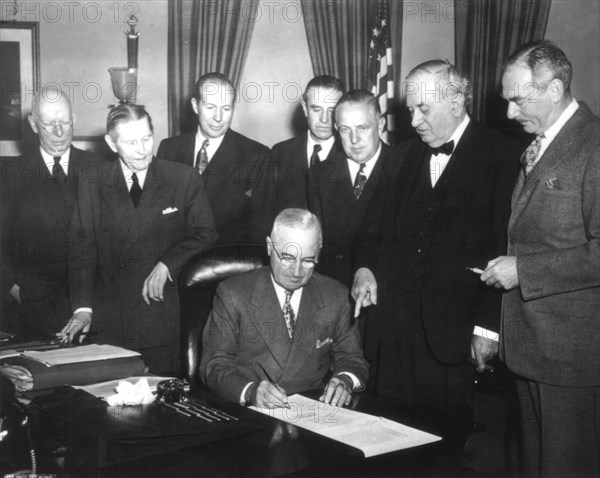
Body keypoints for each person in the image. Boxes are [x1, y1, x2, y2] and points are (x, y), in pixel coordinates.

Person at [352, 60, 521, 417]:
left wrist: (487, 329)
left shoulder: (502, 155)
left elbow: (505, 251)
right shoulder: (400, 156)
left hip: (455, 339)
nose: (413, 121)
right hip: (393, 334)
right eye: (410, 110)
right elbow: (370, 227)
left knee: (445, 448)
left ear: (457, 102)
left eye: (423, 109)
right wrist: (365, 268)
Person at [482, 41, 599, 477]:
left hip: (572, 356)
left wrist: (523, 270)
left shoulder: (594, 146)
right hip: (533, 348)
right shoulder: (539, 145)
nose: (510, 113)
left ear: (553, 88)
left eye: (518, 99)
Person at [62, 104, 217, 373]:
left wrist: (168, 264)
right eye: (131, 142)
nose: (143, 149)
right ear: (111, 143)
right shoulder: (92, 181)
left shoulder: (182, 178)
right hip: (111, 320)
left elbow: (205, 233)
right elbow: (82, 247)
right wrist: (83, 308)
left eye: (147, 138)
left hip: (160, 318)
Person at [200, 208, 368, 408]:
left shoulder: (336, 296)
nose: (296, 272)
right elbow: (214, 365)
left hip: (313, 410)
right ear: (270, 247)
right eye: (287, 258)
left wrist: (345, 381)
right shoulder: (233, 293)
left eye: (307, 260)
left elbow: (353, 359)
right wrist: (251, 391)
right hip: (251, 411)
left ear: (319, 252)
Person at [1, 86, 99, 339]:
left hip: (93, 302)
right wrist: (13, 288)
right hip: (33, 306)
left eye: (65, 123)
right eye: (48, 125)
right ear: (34, 125)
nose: (58, 132)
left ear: (74, 120)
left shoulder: (99, 168)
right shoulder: (10, 174)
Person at [157, 72, 269, 245]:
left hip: (225, 262)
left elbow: (258, 228)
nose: (218, 117)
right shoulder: (169, 149)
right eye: (210, 107)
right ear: (195, 106)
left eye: (226, 108)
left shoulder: (255, 155)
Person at [308, 90, 393, 288]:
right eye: (345, 130)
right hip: (335, 291)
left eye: (362, 127)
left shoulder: (404, 167)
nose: (354, 139)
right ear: (336, 129)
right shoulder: (318, 175)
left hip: (387, 292)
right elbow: (318, 246)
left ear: (380, 125)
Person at [253, 76, 344, 228]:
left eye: (332, 110)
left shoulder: (351, 155)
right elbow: (262, 216)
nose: (324, 119)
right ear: (304, 107)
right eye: (316, 109)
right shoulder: (279, 154)